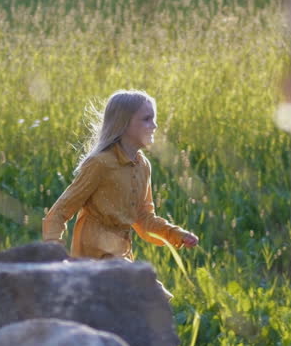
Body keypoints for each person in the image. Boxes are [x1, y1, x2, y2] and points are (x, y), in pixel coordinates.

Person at [42, 90, 199, 259]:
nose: (154, 126)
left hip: (121, 256)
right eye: (147, 119)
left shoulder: (143, 165)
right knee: (146, 286)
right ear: (123, 123)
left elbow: (144, 218)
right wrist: (54, 251)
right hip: (93, 258)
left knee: (151, 286)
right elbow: (60, 211)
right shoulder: (100, 163)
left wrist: (176, 234)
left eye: (153, 119)